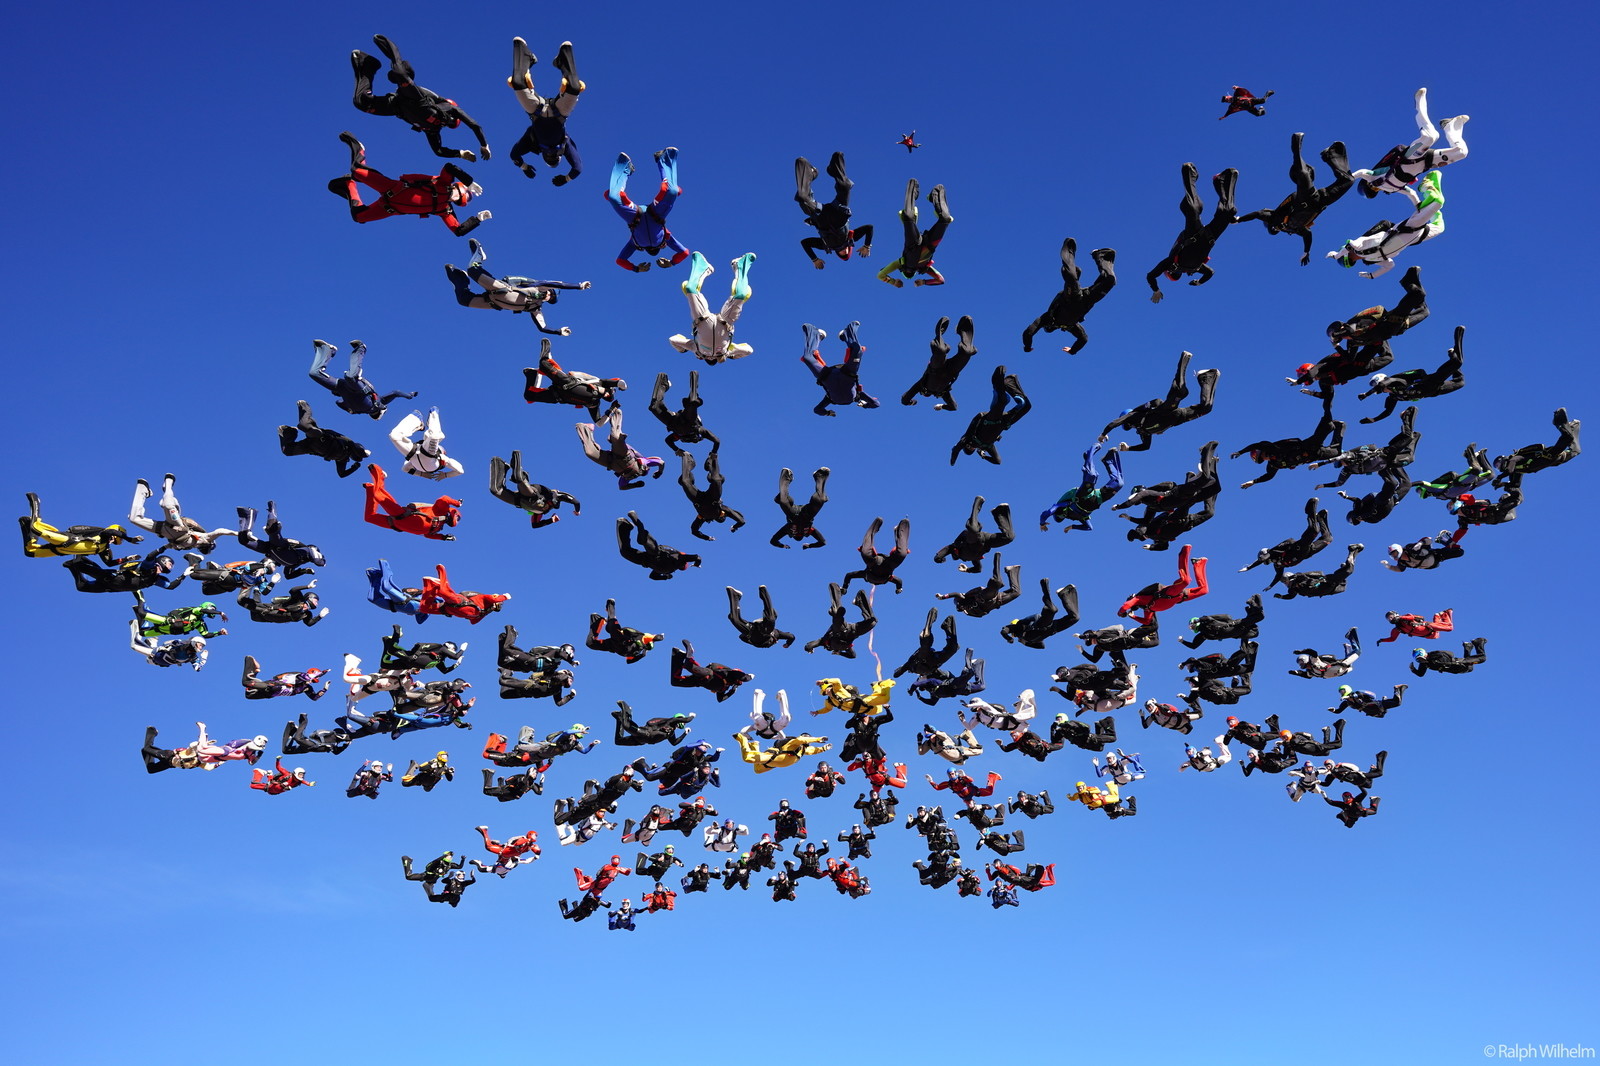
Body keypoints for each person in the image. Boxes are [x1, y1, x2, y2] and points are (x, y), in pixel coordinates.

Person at [350, 34, 489, 160]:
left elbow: (439, 151)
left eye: (450, 125)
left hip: (397, 107)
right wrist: (484, 145)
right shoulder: (449, 108)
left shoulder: (433, 130)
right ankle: (389, 46)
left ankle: (368, 65)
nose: (449, 123)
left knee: (361, 102)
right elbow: (474, 125)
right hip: (416, 99)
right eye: (452, 122)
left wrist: (460, 153)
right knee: (400, 74)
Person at [328, 131, 490, 236]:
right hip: (392, 188)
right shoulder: (443, 183)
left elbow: (458, 230)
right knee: (357, 171)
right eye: (457, 195)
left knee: (359, 217)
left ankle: (349, 185)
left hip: (389, 207)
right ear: (456, 187)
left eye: (457, 201)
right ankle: (359, 147)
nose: (454, 198)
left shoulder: (444, 209)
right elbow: (450, 167)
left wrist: (477, 219)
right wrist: (469, 181)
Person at [1234, 134, 1353, 264]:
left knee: (1303, 173)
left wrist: (1239, 219)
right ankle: (1329, 155)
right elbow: (1308, 235)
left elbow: (1257, 214)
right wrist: (1306, 252)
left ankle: (1296, 146)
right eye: (1276, 230)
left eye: (1274, 229)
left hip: (1306, 199)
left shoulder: (1273, 217)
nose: (1277, 229)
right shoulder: (1295, 229)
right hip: (1322, 202)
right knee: (1348, 180)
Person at [446, 238, 589, 334]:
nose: (549, 296)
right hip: (501, 289)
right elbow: (558, 284)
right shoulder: (538, 287)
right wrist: (579, 286)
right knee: (473, 270)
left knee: (463, 300)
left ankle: (460, 277)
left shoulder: (535, 308)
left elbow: (542, 327)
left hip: (492, 302)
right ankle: (479, 255)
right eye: (551, 293)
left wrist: (558, 331)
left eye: (551, 298)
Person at [1352, 88, 1468, 197]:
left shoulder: (1375, 175)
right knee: (1461, 153)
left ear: (1368, 182)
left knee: (1430, 136)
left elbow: (1362, 172)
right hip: (1426, 162)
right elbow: (1411, 193)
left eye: (1372, 187)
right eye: (1376, 190)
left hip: (1409, 157)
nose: (1377, 188)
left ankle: (1419, 103)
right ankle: (1450, 127)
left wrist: (1349, 178)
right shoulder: (1394, 188)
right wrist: (1418, 206)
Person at [1147, 164, 1238, 302]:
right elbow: (1210, 273)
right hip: (1208, 238)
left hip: (1193, 236)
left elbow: (1150, 276)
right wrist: (1199, 282)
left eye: (1174, 274)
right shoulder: (1195, 268)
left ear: (1169, 272)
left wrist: (1156, 290)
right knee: (1228, 211)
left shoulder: (1169, 263)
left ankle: (1190, 173)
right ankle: (1222, 180)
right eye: (1177, 275)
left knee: (1192, 207)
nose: (1176, 273)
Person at [1327, 171, 1445, 279]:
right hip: (1413, 239)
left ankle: (1426, 186)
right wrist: (1372, 275)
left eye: (1349, 258)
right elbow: (1390, 265)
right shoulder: (1371, 259)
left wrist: (1337, 255)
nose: (1354, 259)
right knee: (1440, 227)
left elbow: (1351, 244)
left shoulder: (1359, 246)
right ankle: (1428, 208)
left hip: (1407, 229)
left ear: (1347, 253)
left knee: (1437, 202)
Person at [1097, 351, 1220, 451]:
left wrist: (1103, 434)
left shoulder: (1133, 415)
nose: (1131, 426)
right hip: (1178, 418)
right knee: (1206, 407)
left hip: (1165, 411)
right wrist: (1129, 449)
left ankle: (1184, 358)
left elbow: (1114, 423)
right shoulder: (1143, 432)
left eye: (1128, 425)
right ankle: (1206, 377)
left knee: (1180, 391)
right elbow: (1146, 446)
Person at [504, 38, 583, 184]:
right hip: (559, 113)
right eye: (555, 159)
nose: (551, 157)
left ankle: (524, 53)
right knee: (574, 87)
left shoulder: (533, 143)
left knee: (517, 82)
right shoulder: (565, 146)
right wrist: (566, 179)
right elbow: (577, 168)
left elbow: (514, 155)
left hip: (536, 111)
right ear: (559, 157)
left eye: (549, 160)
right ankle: (563, 57)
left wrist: (524, 167)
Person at [1022, 238, 1116, 353]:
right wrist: (1072, 351)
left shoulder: (1046, 318)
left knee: (1071, 277)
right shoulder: (1072, 326)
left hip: (1071, 298)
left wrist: (1027, 347)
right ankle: (1101, 256)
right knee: (1110, 280)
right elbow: (1083, 339)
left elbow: (1028, 332)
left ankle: (1070, 253)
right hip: (1087, 301)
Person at [1359, 325, 1467, 423]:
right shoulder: (1392, 398)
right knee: (1460, 382)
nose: (1381, 390)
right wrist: (1373, 419)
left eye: (1376, 385)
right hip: (1434, 391)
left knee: (1458, 362)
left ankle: (1457, 336)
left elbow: (1386, 382)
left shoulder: (1395, 381)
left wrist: (1367, 394)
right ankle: (1452, 357)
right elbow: (1387, 412)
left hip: (1430, 382)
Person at [607, 148, 690, 272]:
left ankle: (626, 169)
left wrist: (637, 268)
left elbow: (620, 260)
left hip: (636, 216)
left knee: (614, 197)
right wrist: (670, 263)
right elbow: (684, 252)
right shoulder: (665, 238)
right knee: (671, 191)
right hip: (655, 214)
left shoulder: (635, 243)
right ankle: (663, 159)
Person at [667, 252, 756, 364]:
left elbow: (673, 340)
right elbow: (749, 350)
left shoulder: (695, 348)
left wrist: (685, 350)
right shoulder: (727, 351)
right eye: (712, 358)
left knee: (690, 288)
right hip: (725, 322)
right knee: (741, 294)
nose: (710, 357)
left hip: (702, 319)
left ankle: (703, 267)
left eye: (707, 358)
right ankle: (740, 265)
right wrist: (729, 355)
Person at [307, 339, 417, 421]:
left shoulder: (357, 410)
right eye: (376, 414)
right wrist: (409, 395)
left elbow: (338, 402)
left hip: (341, 388)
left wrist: (348, 407)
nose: (373, 414)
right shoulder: (379, 403)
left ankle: (327, 350)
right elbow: (395, 393)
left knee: (314, 373)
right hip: (358, 388)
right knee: (350, 377)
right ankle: (361, 349)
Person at [794, 152, 873, 267]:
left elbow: (805, 243)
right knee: (845, 186)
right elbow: (869, 228)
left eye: (841, 254)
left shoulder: (824, 245)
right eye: (846, 253)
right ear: (849, 249)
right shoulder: (851, 238)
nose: (843, 252)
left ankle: (808, 172)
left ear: (837, 253)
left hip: (821, 217)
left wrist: (814, 259)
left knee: (802, 198)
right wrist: (867, 246)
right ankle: (835, 166)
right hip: (838, 214)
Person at [128, 473, 235, 556]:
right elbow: (220, 531)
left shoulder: (186, 547)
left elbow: (167, 546)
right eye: (205, 548)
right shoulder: (205, 537)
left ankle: (142, 489)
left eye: (202, 549)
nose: (201, 548)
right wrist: (238, 533)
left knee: (134, 519)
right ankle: (168, 485)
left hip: (163, 530)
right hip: (176, 525)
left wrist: (162, 548)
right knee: (167, 505)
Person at [1234, 411, 1346, 488]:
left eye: (1262, 455)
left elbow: (1256, 445)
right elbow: (1269, 476)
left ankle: (1332, 418)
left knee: (1327, 425)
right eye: (1262, 459)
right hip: (1313, 456)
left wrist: (1240, 452)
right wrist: (1253, 482)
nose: (1265, 458)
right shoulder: (1273, 465)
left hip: (1308, 446)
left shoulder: (1273, 448)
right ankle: (1340, 427)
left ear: (1262, 451)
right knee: (1336, 453)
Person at [522, 340, 625, 423]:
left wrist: (611, 409)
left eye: (608, 397)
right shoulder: (600, 382)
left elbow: (599, 423)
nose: (607, 395)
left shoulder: (594, 403)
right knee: (544, 364)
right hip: (566, 382)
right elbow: (620, 383)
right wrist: (622, 387)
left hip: (558, 396)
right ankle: (547, 355)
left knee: (529, 396)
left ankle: (532, 375)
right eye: (609, 392)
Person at [1240, 499, 1333, 588]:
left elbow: (1262, 559)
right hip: (1307, 552)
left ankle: (1310, 509)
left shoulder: (1273, 552)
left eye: (1267, 561)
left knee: (1314, 530)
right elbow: (1278, 576)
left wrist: (1249, 568)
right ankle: (1321, 518)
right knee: (1328, 538)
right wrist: (1270, 586)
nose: (1269, 562)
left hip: (1299, 547)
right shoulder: (1277, 565)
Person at [21, 494, 139, 562]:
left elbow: (109, 563)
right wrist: (129, 539)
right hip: (67, 540)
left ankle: (25, 523)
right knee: (35, 528)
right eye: (119, 538)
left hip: (59, 551)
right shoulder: (104, 534)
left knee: (30, 552)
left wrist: (128, 558)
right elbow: (111, 531)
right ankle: (36, 502)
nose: (119, 540)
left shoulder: (104, 549)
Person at [877, 179, 953, 287]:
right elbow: (940, 280)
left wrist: (893, 282)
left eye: (906, 273)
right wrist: (924, 282)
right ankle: (935, 195)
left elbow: (880, 275)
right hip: (929, 245)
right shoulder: (924, 268)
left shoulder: (901, 263)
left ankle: (914, 191)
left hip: (912, 244)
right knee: (945, 219)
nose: (909, 273)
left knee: (908, 217)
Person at [950, 366, 1032, 465]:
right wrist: (984, 456)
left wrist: (952, 462)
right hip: (1004, 422)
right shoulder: (987, 446)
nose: (971, 447)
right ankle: (1010, 382)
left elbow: (955, 450)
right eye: (972, 449)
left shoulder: (967, 439)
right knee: (1026, 406)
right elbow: (998, 461)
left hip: (991, 419)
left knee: (1003, 400)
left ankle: (996, 381)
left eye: (969, 447)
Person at [575, 403, 665, 490]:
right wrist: (660, 472)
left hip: (610, 462)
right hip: (624, 456)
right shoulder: (645, 461)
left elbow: (622, 487)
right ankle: (617, 413)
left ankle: (585, 428)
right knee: (616, 437)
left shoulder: (626, 478)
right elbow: (661, 462)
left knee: (589, 452)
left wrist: (635, 485)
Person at [362, 464, 460, 541]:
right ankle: (379, 472)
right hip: (402, 515)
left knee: (369, 517)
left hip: (395, 523)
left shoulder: (438, 527)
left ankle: (370, 488)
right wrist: (457, 503)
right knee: (379, 495)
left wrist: (443, 537)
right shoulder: (441, 511)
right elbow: (444, 499)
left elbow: (428, 535)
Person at [1040, 443, 1124, 532]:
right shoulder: (1077, 517)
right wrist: (1072, 527)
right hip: (1098, 498)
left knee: (1092, 475)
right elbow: (1089, 528)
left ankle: (1091, 451)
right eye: (1062, 517)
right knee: (1119, 483)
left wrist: (1042, 523)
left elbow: (1047, 513)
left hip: (1083, 496)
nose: (1062, 515)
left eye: (1060, 515)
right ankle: (1108, 460)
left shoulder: (1062, 507)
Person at [801, 321, 880, 415]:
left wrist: (828, 413)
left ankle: (816, 335)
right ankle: (847, 334)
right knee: (857, 350)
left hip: (826, 376)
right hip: (847, 373)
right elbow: (876, 404)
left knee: (807, 358)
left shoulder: (829, 399)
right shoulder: (858, 395)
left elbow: (817, 410)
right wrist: (864, 405)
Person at [487, 451, 581, 529]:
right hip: (532, 496)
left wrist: (551, 520)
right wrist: (577, 511)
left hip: (520, 500)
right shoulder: (553, 495)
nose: (548, 506)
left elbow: (535, 525)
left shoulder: (539, 512)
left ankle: (501, 465)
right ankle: (519, 474)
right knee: (518, 481)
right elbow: (575, 501)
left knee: (496, 490)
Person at [901, 315, 976, 410]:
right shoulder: (944, 393)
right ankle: (964, 330)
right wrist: (942, 406)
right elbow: (954, 407)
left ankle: (939, 334)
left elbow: (904, 399)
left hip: (936, 368)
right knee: (967, 352)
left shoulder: (920, 386)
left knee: (940, 350)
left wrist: (912, 402)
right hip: (951, 371)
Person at [276, 402, 370, 477]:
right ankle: (305, 406)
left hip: (311, 448)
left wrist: (354, 467)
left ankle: (289, 431)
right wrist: (325, 433)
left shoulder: (342, 459)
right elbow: (354, 446)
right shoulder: (349, 444)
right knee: (303, 426)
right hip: (320, 438)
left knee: (287, 451)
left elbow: (341, 474)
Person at [235, 501, 324, 578]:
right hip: (280, 546)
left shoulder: (297, 562)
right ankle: (272, 509)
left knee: (243, 540)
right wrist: (321, 561)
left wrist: (304, 571)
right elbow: (314, 556)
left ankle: (248, 513)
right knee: (271, 529)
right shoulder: (307, 550)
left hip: (269, 550)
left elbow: (288, 575)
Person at [1118, 545, 1207, 621]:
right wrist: (1133, 616)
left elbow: (1126, 605)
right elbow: (1147, 621)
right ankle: (1198, 564)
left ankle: (1183, 553)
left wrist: (1120, 613)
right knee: (1204, 590)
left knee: (1186, 581)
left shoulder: (1139, 598)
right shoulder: (1147, 608)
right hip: (1179, 597)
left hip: (1169, 593)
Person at [1494, 408, 1581, 482]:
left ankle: (1559, 423)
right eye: (1497, 467)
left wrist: (1499, 477)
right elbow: (1515, 484)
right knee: (1575, 451)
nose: (1498, 467)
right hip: (1553, 461)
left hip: (1547, 456)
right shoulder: (1516, 470)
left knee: (1567, 438)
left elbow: (1509, 470)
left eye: (1498, 465)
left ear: (1503, 460)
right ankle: (1574, 425)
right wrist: (1502, 484)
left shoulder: (1513, 459)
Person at [142, 724, 266, 774]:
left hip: (170, 764)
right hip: (170, 756)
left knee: (151, 769)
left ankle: (150, 744)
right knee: (146, 749)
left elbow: (209, 768)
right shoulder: (195, 754)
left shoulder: (200, 763)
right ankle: (152, 732)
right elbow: (193, 746)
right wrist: (202, 738)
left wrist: (221, 762)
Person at [649, 371, 721, 457]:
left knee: (654, 407)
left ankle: (664, 384)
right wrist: (714, 452)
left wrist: (677, 450)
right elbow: (717, 441)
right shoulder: (699, 430)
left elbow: (668, 440)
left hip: (674, 423)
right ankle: (693, 395)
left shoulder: (679, 435)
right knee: (692, 403)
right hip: (687, 422)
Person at [677, 453, 745, 541]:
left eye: (720, 519)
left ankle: (688, 461)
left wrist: (707, 538)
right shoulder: (724, 510)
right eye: (723, 518)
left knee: (684, 481)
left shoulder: (704, 517)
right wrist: (734, 527)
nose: (721, 518)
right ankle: (711, 462)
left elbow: (694, 531)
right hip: (712, 498)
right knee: (717, 480)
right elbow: (741, 521)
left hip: (698, 500)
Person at [934, 498, 1013, 573]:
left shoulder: (955, 547)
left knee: (973, 529)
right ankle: (999, 513)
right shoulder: (974, 558)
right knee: (1009, 537)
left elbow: (946, 550)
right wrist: (966, 569)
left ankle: (978, 502)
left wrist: (939, 558)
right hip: (987, 542)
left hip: (971, 541)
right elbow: (978, 569)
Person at [616, 511, 701, 580]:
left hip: (649, 558)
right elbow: (653, 576)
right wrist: (666, 576)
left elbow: (697, 557)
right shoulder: (676, 561)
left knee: (627, 551)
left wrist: (697, 563)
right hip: (653, 556)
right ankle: (633, 522)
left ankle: (625, 526)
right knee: (640, 541)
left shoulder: (680, 559)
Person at [936, 553, 1023, 617]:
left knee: (997, 582)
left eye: (961, 607)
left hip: (985, 597)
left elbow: (956, 594)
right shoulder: (968, 611)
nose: (962, 609)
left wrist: (943, 597)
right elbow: (982, 613)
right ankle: (1012, 571)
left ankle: (997, 558)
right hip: (997, 601)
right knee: (1016, 592)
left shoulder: (964, 599)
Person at [63, 550, 186, 595]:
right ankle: (79, 555)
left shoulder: (156, 579)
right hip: (113, 578)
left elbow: (170, 586)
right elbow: (150, 556)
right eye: (170, 564)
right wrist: (164, 547)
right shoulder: (148, 567)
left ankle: (73, 564)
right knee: (81, 566)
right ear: (163, 561)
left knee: (82, 587)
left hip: (111, 587)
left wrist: (184, 574)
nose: (171, 567)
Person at [842, 516, 913, 593]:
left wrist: (845, 587)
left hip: (874, 564)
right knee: (902, 553)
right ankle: (901, 527)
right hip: (887, 566)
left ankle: (882, 524)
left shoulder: (865, 574)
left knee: (865, 551)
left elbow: (849, 575)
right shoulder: (888, 578)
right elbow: (849, 575)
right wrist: (899, 588)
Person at [804, 582, 878, 657]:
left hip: (839, 630)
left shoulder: (823, 641)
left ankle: (835, 594)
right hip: (854, 631)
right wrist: (840, 653)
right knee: (873, 622)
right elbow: (853, 655)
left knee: (837, 615)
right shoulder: (846, 648)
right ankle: (859, 600)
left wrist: (810, 649)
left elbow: (808, 646)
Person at [388, 409, 464, 481]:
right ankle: (419, 418)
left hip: (417, 455)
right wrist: (445, 475)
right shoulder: (438, 456)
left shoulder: (442, 458)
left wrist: (444, 475)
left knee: (394, 436)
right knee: (395, 435)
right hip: (419, 453)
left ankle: (424, 416)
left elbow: (405, 469)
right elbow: (459, 471)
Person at [1000, 581, 1080, 648]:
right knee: (1074, 618)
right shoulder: (1025, 636)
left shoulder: (1019, 626)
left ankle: (1046, 588)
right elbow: (1042, 646)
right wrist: (1026, 643)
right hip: (1053, 628)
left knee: (1053, 610)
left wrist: (1009, 639)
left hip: (1041, 625)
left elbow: (1004, 631)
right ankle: (1064, 593)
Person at [418, 564, 509, 624]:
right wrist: (505, 596)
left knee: (424, 608)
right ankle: (442, 575)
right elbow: (494, 599)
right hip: (459, 602)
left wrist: (488, 611)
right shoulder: (485, 598)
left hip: (448, 609)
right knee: (444, 592)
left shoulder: (482, 612)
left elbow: (473, 622)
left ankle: (431, 585)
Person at [1271, 544, 1364, 600]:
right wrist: (1281, 597)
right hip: (1328, 590)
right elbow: (1291, 596)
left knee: (1349, 571)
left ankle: (1351, 551)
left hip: (1327, 582)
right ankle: (1352, 555)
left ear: (1289, 577)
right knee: (1343, 586)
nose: (1285, 583)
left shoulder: (1298, 578)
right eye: (1284, 583)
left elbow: (1301, 575)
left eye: (1285, 581)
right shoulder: (1293, 589)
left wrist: (1294, 576)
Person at [670, 640, 751, 703]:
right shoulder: (730, 673)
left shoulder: (725, 687)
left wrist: (732, 691)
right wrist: (750, 676)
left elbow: (720, 699)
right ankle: (690, 653)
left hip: (698, 682)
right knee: (688, 666)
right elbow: (744, 678)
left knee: (675, 682)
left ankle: (678, 655)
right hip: (709, 674)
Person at [586, 599, 662, 663]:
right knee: (611, 623)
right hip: (620, 638)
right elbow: (657, 637)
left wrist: (642, 655)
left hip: (614, 646)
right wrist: (661, 637)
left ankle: (597, 619)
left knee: (590, 643)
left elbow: (629, 661)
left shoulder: (637, 651)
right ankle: (611, 604)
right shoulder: (643, 637)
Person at [770, 467, 830, 548]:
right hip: (807, 514)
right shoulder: (810, 530)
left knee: (783, 500)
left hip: (792, 514)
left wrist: (783, 546)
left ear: (792, 534)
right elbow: (822, 542)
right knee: (819, 499)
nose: (798, 533)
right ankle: (819, 476)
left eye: (795, 534)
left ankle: (786, 477)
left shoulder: (786, 529)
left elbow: (773, 541)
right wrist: (809, 545)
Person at [727, 586, 796, 649]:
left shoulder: (777, 633)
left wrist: (788, 644)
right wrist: (787, 644)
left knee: (734, 619)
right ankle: (763, 591)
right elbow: (791, 637)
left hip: (752, 632)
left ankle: (735, 595)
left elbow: (742, 637)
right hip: (756, 628)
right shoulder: (775, 631)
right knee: (770, 620)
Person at [240, 655, 328, 701]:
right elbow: (305, 677)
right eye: (313, 680)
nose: (311, 682)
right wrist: (320, 674)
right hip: (273, 686)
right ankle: (250, 661)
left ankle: (255, 672)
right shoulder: (299, 675)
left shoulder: (307, 688)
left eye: (314, 681)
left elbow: (314, 698)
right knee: (246, 683)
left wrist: (324, 689)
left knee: (249, 695)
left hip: (271, 694)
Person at [128, 619, 207, 670]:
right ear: (194, 642)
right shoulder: (183, 644)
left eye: (202, 646)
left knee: (148, 660)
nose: (201, 647)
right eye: (200, 645)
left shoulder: (193, 657)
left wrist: (204, 659)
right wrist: (164, 647)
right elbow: (168, 642)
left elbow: (197, 668)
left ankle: (152, 641)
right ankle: (136, 624)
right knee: (134, 645)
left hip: (160, 661)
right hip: (158, 654)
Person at [734, 732, 830, 774]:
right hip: (772, 756)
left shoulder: (804, 750)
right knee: (747, 758)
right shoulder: (795, 742)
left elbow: (814, 750)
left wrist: (824, 748)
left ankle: (755, 745)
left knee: (757, 770)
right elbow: (801, 740)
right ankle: (742, 739)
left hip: (773, 764)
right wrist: (818, 739)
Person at [613, 702, 694, 747]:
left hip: (641, 741)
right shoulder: (670, 721)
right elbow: (687, 720)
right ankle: (627, 709)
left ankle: (619, 718)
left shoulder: (671, 733)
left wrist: (685, 733)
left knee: (618, 741)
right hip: (645, 733)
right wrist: (692, 716)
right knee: (626, 726)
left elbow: (674, 743)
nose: (683, 723)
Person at [1289, 628, 1361, 679]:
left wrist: (1302, 651)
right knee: (1350, 664)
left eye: (1301, 661)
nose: (1300, 664)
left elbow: (1313, 652)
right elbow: (1306, 675)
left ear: (1306, 659)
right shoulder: (1311, 672)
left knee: (1358, 651)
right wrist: (1295, 673)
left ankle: (1351, 635)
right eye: (1299, 663)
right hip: (1340, 672)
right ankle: (1347, 647)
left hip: (1341, 666)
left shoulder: (1314, 661)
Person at [135, 601, 227, 639]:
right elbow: (203, 610)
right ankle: (140, 598)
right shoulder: (195, 610)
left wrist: (220, 633)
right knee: (141, 613)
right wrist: (220, 613)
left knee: (141, 633)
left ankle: (144, 624)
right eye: (213, 609)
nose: (213, 611)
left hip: (164, 631)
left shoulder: (200, 623)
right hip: (166, 621)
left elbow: (205, 634)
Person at [1410, 638, 1488, 676]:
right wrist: (1413, 669)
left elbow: (1448, 655)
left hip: (1460, 663)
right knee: (1470, 668)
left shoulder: (1433, 654)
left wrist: (1435, 661)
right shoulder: (1424, 663)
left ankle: (1479, 642)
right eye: (1415, 656)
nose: (1418, 658)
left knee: (1482, 658)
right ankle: (1468, 646)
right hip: (1457, 669)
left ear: (1423, 652)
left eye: (1418, 654)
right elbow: (1421, 673)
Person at [1377, 607, 1454, 645]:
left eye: (1391, 617)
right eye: (1388, 619)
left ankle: (1444, 613)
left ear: (1396, 615)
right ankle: (1438, 615)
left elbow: (1411, 617)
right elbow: (1392, 638)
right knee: (1438, 631)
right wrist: (1382, 640)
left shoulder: (1405, 617)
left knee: (1449, 628)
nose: (1390, 619)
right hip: (1430, 635)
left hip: (1429, 627)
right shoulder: (1397, 629)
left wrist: (1400, 617)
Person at [1330, 683, 1407, 718]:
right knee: (1382, 715)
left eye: (1342, 691)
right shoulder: (1346, 702)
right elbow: (1339, 711)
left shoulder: (1358, 693)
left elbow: (1373, 695)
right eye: (1340, 692)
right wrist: (1333, 710)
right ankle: (1385, 699)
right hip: (1373, 712)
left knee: (1397, 703)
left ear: (1347, 690)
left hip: (1378, 705)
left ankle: (1397, 688)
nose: (1341, 693)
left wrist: (1352, 696)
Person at [250, 759, 315, 795]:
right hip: (272, 785)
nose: (302, 776)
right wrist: (278, 760)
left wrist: (309, 784)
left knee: (271, 788)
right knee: (253, 785)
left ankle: (269, 774)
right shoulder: (287, 774)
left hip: (273, 791)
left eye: (303, 775)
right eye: (300, 774)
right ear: (296, 773)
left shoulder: (298, 781)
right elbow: (278, 767)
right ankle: (259, 772)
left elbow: (304, 781)